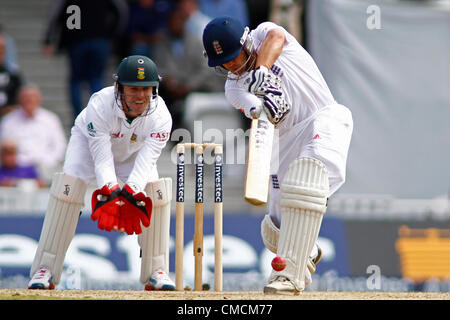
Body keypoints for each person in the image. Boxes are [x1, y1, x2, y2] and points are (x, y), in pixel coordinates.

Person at [202, 17, 353, 294]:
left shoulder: (265, 35)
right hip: (283, 140)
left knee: (306, 180)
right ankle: (308, 249)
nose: (232, 65)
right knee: (274, 230)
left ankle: (288, 277)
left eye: (235, 56)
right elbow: (263, 113)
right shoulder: (234, 88)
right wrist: (265, 106)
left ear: (246, 42)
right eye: (224, 62)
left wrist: (263, 72)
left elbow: (276, 38)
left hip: (323, 118)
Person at [27, 55, 175, 291]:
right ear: (119, 88)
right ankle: (45, 270)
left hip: (133, 153)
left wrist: (130, 192)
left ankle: (156, 272)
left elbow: (148, 159)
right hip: (87, 146)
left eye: (146, 89)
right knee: (68, 190)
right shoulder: (100, 104)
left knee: (155, 193)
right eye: (133, 88)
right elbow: (102, 156)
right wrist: (111, 190)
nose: (140, 95)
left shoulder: (161, 117)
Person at [42, 0, 128, 119]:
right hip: (98, 40)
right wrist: (112, 35)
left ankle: (78, 117)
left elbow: (56, 15)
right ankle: (96, 116)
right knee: (95, 78)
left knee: (77, 80)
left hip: (77, 41)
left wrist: (49, 39)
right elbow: (121, 13)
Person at [154, 9, 225, 130]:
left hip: (196, 87)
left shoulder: (196, 41)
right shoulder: (160, 42)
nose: (176, 24)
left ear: (185, 23)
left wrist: (188, 86)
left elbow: (206, 69)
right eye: (173, 21)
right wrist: (169, 81)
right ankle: (168, 134)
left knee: (187, 103)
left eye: (180, 21)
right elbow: (157, 68)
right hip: (170, 88)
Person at [0, 85, 67, 182]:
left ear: (39, 100)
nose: (29, 102)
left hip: (43, 166)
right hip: (16, 168)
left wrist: (48, 161)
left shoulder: (50, 119)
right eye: (25, 99)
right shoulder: (8, 121)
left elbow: (60, 146)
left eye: (32, 99)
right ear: (19, 100)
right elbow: (3, 145)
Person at [0, 33, 23, 117]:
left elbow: (21, 96)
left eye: (2, 48)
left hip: (9, 117)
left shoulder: (13, 73)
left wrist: (12, 108)